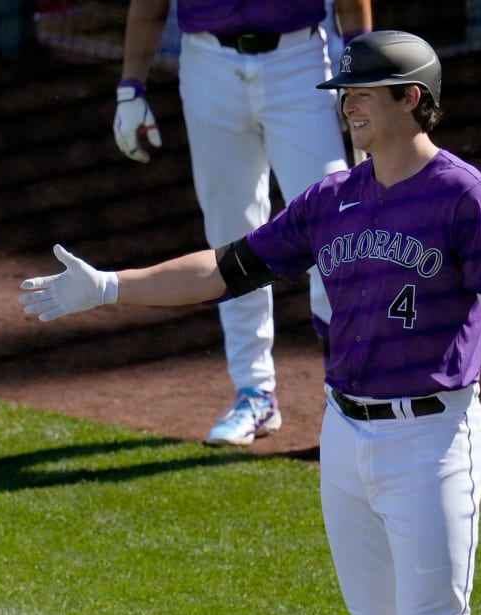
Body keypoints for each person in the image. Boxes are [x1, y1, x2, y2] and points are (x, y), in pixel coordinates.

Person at [25, 31, 481, 615]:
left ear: (413, 100)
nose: (347, 107)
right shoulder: (330, 200)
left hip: (432, 443)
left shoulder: (466, 200)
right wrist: (112, 286)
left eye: (362, 93)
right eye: (344, 93)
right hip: (346, 434)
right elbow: (223, 269)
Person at [113, 0, 372, 446]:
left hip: (299, 62)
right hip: (207, 66)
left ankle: (348, 396)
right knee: (231, 233)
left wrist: (362, 78)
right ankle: (254, 393)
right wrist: (129, 88)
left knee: (334, 232)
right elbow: (150, 4)